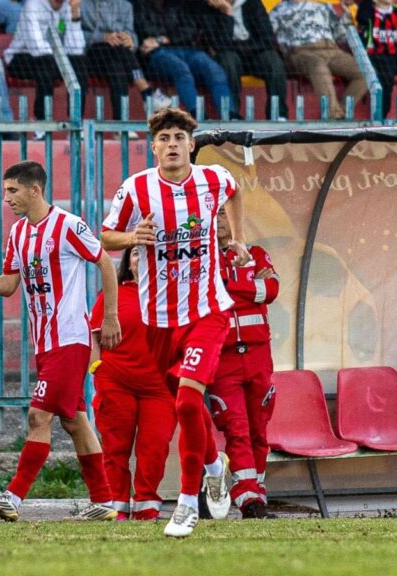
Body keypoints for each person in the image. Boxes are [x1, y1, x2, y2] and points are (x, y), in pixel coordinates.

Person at [101, 107, 247, 538]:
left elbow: (236, 192)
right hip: (158, 319)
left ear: (190, 144)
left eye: (178, 137)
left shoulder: (212, 179)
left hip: (207, 309)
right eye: (163, 138)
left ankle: (185, 506)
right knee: (184, 401)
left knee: (185, 402)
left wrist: (236, 236)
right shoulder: (136, 188)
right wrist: (132, 238)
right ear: (154, 146)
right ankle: (214, 464)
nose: (171, 145)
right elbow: (105, 235)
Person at [0, 160, 122, 522]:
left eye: (12, 190)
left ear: (35, 190)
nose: (7, 198)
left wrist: (109, 317)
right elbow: (8, 284)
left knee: (38, 415)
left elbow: (105, 262)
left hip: (69, 338)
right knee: (75, 420)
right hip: (44, 343)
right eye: (5, 191)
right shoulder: (18, 233)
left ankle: (13, 497)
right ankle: (105, 501)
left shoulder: (68, 225)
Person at [89, 247, 177, 521]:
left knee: (155, 446)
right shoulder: (113, 295)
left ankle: (146, 505)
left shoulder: (173, 295)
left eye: (151, 253)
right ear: (128, 262)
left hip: (160, 388)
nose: (144, 258)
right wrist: (96, 369)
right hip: (116, 382)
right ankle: (116, 506)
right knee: (116, 447)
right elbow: (93, 336)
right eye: (137, 254)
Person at [209, 205, 279, 519]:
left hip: (258, 356)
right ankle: (247, 498)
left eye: (224, 213)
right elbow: (210, 293)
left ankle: (258, 492)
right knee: (236, 430)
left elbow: (272, 289)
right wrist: (251, 288)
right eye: (215, 214)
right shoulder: (204, 259)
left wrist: (229, 284)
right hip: (222, 359)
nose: (220, 220)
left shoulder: (256, 254)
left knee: (258, 429)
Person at [134, 0, 232, 120]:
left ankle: (231, 116)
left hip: (188, 49)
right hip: (157, 53)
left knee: (215, 71)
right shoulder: (140, 4)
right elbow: (144, 31)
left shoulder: (184, 3)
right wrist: (165, 39)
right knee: (181, 70)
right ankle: (198, 116)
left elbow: (190, 30)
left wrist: (161, 39)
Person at [269, 0, 366, 120]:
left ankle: (340, 112)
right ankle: (333, 115)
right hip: (301, 51)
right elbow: (266, 34)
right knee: (318, 66)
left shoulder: (323, 6)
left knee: (364, 71)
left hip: (331, 48)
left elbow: (341, 36)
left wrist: (346, 15)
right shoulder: (278, 10)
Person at [81, 0, 171, 125]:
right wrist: (103, 37)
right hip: (91, 56)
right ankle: (146, 91)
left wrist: (130, 40)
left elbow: (132, 35)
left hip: (118, 58)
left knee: (117, 68)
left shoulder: (125, 5)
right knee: (115, 52)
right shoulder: (81, 4)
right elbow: (75, 35)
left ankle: (121, 123)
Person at [198, 0, 289, 121]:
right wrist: (227, 13)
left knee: (273, 61)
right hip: (232, 55)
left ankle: (278, 114)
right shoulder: (208, 8)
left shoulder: (253, 4)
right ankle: (232, 114)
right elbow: (218, 44)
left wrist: (238, 46)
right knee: (228, 59)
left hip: (254, 55)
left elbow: (267, 39)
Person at [3, 0, 89, 121]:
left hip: (53, 58)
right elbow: (36, 47)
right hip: (21, 58)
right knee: (46, 63)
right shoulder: (32, 5)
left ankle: (76, 121)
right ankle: (41, 121)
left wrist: (75, 15)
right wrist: (62, 61)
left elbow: (76, 49)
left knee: (79, 63)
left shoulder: (68, 7)